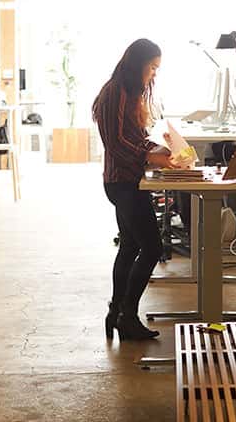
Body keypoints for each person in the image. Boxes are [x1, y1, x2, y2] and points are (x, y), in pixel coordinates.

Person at [92, 38, 177, 341]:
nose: (154, 74)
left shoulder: (129, 93)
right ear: (137, 64)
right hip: (122, 182)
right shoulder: (115, 91)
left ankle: (117, 313)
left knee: (130, 246)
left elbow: (135, 138)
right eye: (152, 67)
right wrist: (148, 156)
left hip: (129, 180)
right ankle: (126, 315)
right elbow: (114, 143)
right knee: (152, 247)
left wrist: (161, 149)